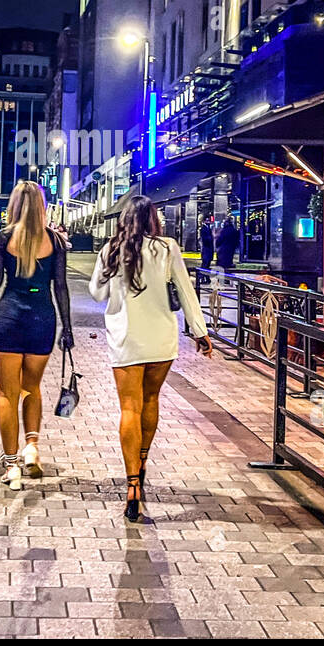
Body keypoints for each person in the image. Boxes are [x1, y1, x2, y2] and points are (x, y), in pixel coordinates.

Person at [89, 195, 214, 522]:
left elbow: (97, 293)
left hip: (126, 338)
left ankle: (132, 484)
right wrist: (200, 331)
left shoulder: (111, 250)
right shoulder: (167, 248)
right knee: (151, 399)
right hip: (161, 339)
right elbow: (187, 292)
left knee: (129, 407)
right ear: (153, 220)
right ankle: (142, 463)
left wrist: (107, 270)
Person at [0, 181, 73, 490]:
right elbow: (60, 287)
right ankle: (32, 448)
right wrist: (68, 328)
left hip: (9, 316)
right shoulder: (56, 241)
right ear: (42, 206)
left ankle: (11, 466)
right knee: (32, 388)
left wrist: (1, 256)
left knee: (7, 394)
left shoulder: (3, 237)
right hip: (43, 318)